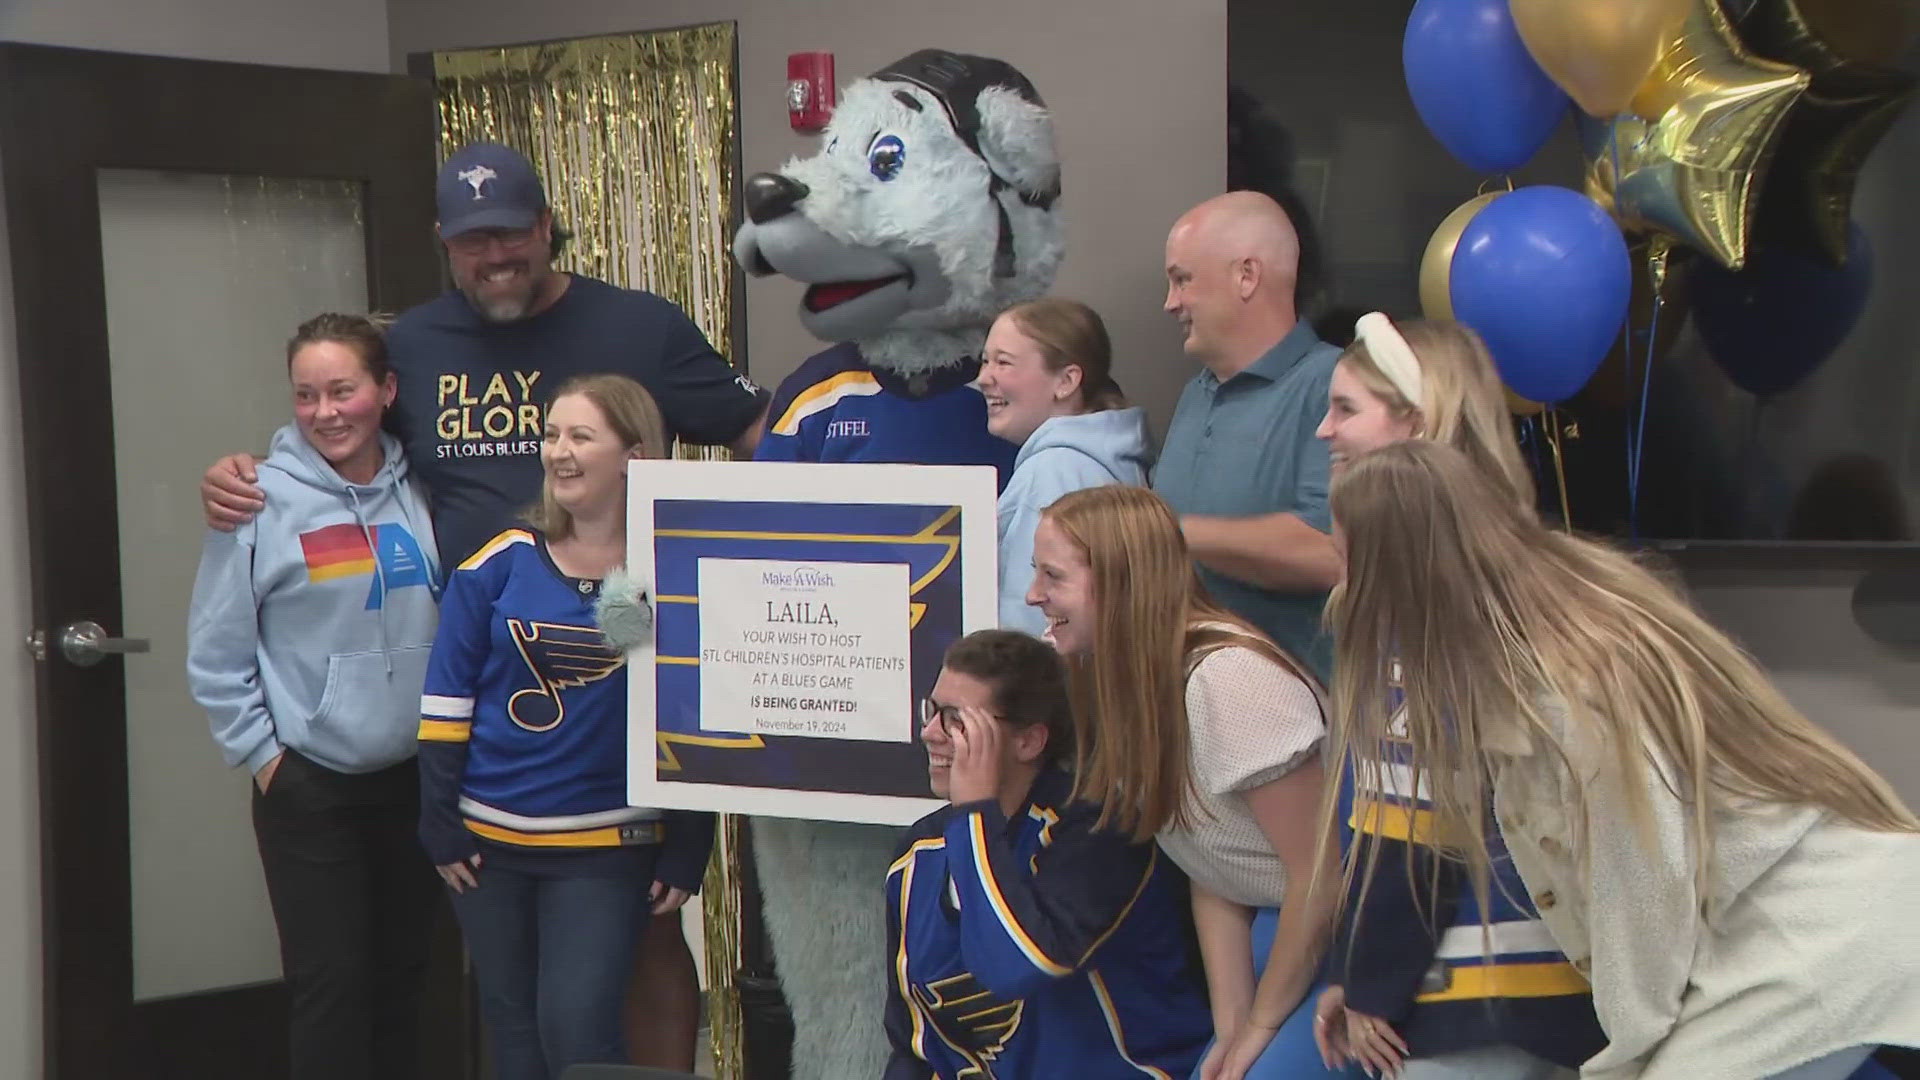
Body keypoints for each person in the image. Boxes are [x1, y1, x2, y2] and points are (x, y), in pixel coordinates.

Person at [198, 141, 750, 1068]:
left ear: (545, 227)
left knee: (644, 934)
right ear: (445, 247)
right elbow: (339, 433)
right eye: (470, 243)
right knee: (490, 981)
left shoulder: (639, 329)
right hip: (471, 706)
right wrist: (246, 472)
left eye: (510, 236)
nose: (494, 258)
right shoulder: (411, 345)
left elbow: (759, 432)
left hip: (614, 669)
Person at [1325, 439, 1920, 1080]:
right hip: (1789, 932)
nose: (1338, 577)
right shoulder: (1559, 623)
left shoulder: (1567, 698)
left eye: (1343, 554)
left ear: (1392, 570)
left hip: (1813, 938)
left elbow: (1639, 898)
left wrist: (1621, 1063)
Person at [1307, 314, 1603, 1079]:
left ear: (1417, 419)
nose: (1321, 432)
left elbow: (1413, 833)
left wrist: (1368, 982)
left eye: (1345, 409)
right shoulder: (1526, 571)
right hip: (1551, 986)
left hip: (1466, 994)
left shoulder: (1429, 603)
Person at [416, 373, 715, 1080]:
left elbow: (695, 714)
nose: (559, 452)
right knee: (513, 1031)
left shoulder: (669, 572)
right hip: (487, 850)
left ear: (634, 456)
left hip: (608, 845)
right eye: (551, 435)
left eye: (581, 436)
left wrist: (689, 841)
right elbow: (445, 703)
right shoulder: (498, 564)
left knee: (578, 1031)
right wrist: (438, 822)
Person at [1027, 484, 1361, 1080]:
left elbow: (1322, 872)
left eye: (1052, 577)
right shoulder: (1132, 683)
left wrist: (1258, 1029)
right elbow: (1211, 865)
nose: (1033, 595)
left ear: (1123, 580)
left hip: (1353, 937)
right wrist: (1233, 1027)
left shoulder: (1228, 681)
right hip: (1280, 925)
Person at [186, 313, 442, 1080]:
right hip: (311, 786)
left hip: (412, 780)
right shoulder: (257, 500)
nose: (325, 412)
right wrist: (266, 759)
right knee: (331, 990)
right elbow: (216, 651)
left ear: (385, 391)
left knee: (404, 982)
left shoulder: (420, 490)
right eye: (306, 395)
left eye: (343, 390)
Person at [884, 629, 1211, 1079]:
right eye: (932, 711)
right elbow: (914, 1048)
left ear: (1029, 741)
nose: (930, 732)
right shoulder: (918, 856)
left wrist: (974, 817)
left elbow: (1018, 966)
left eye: (957, 720)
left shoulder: (1101, 836)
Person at [1153, 191, 1342, 680]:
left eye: (1182, 280)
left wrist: (1164, 535)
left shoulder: (1336, 386)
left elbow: (1331, 552)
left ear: (1247, 276)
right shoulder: (1196, 393)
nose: (1170, 303)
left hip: (1298, 724)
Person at [978, 298, 1152, 633]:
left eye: (1004, 362)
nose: (984, 377)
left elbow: (1030, 626)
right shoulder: (1105, 461)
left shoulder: (1054, 471)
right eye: (985, 361)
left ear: (1066, 382)